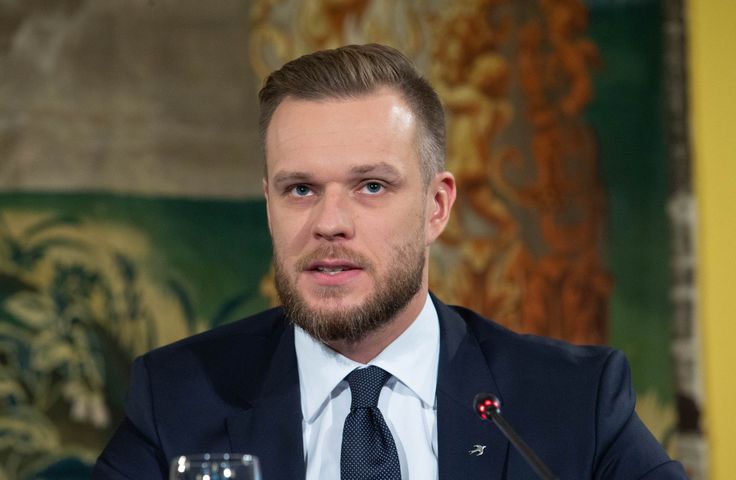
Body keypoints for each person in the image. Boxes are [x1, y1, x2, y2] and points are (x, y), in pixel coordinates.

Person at [93, 44, 687, 480]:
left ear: (436, 207)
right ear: (269, 205)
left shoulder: (571, 401)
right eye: (300, 189)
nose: (329, 221)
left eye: (371, 186)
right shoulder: (175, 400)